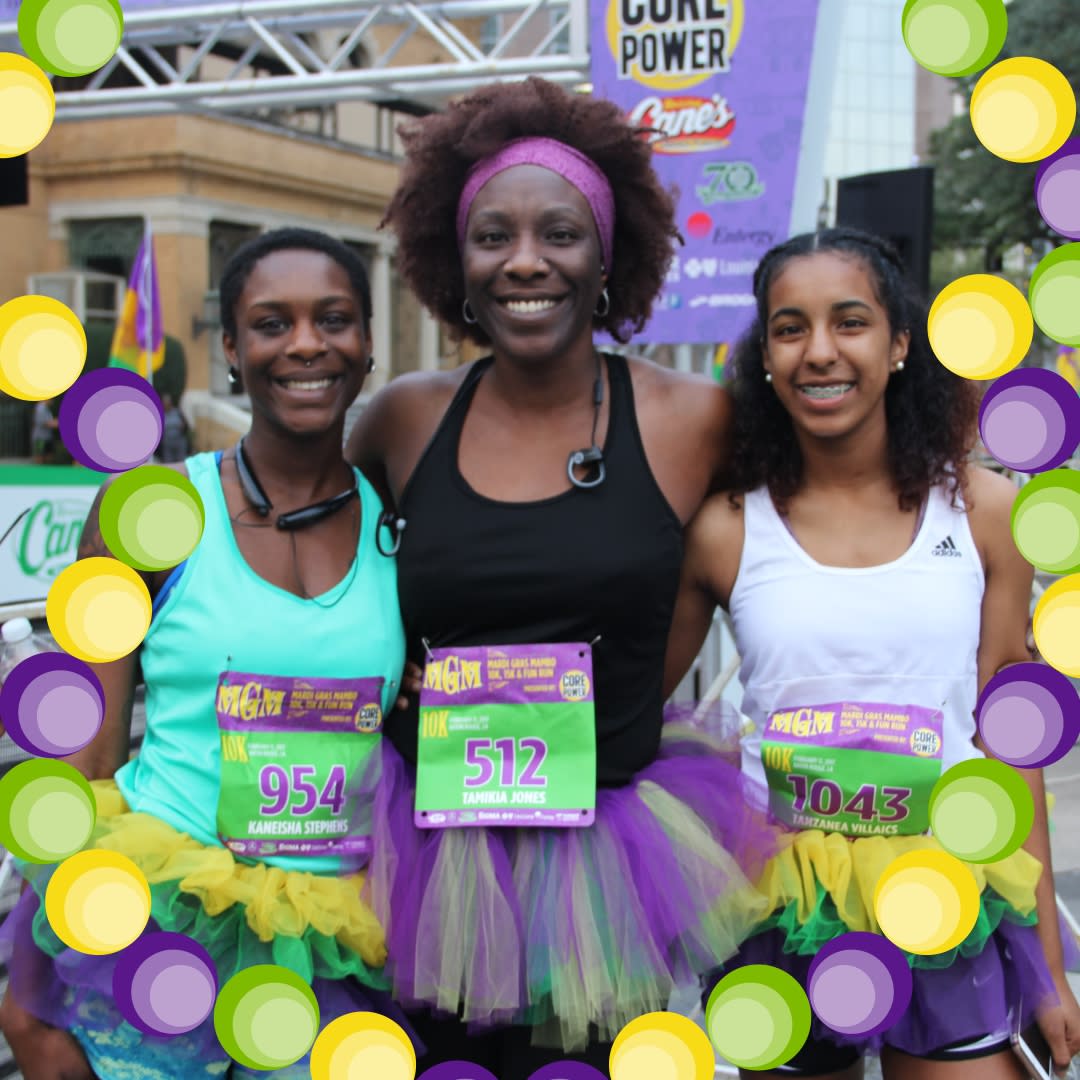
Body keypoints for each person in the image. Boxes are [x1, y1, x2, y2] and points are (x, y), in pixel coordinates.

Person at [346, 76, 771, 1078]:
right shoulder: (403, 418)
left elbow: (805, 528)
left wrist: (968, 505)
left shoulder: (692, 418)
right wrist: (382, 682)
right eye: (493, 236)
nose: (526, 261)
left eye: (561, 234)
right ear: (457, 261)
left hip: (613, 856)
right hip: (429, 853)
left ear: (608, 258)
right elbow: (319, 564)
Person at [664, 227, 1080, 1079]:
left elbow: (1012, 745)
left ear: (898, 346)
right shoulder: (725, 527)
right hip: (784, 900)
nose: (820, 351)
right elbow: (641, 708)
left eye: (850, 322)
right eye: (790, 328)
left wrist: (1046, 962)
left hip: (948, 887)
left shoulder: (986, 511)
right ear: (766, 357)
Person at [0, 227, 408, 1079]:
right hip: (164, 915)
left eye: (333, 319)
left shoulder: (407, 523)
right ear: (229, 346)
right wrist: (38, 964)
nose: (306, 344)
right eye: (272, 323)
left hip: (332, 936)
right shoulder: (147, 511)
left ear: (368, 342)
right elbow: (90, 753)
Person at [159, 393, 191, 461]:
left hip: (179, 443)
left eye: (167, 402)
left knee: (181, 461)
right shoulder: (161, 414)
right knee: (168, 463)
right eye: (164, 402)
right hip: (167, 444)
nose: (166, 404)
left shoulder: (177, 412)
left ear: (170, 403)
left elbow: (186, 424)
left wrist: (183, 426)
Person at [31, 398, 58, 463]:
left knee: (49, 457)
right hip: (40, 439)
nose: (53, 401)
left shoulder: (46, 408)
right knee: (39, 457)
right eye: (52, 399)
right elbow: (45, 423)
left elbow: (49, 421)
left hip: (47, 437)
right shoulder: (40, 408)